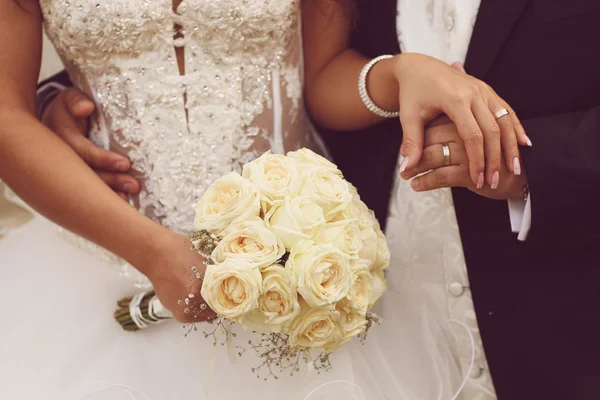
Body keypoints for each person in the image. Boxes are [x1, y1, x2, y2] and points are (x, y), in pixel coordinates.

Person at [0, 1, 527, 399]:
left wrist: (398, 73)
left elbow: (321, 80)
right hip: (93, 264)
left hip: (294, 263)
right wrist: (149, 249)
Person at [312, 1, 600, 399]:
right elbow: (323, 73)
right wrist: (396, 73)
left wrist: (530, 164)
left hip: (561, 308)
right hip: (384, 300)